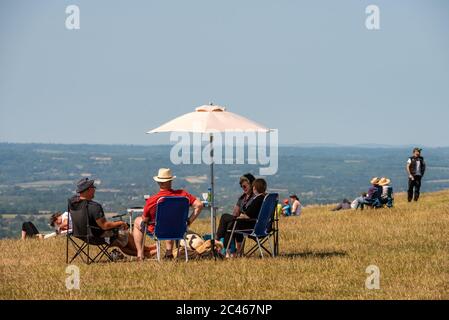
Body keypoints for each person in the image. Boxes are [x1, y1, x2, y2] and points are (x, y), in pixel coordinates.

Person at [69, 177, 154, 258]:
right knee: (124, 235)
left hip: (81, 235)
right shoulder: (94, 207)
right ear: (88, 190)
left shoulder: (73, 203)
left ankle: (148, 250)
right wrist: (120, 223)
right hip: (97, 237)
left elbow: (76, 198)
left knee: (121, 241)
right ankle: (147, 252)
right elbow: (104, 226)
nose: (94, 189)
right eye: (93, 187)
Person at [132, 168, 203, 260]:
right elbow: (199, 205)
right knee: (171, 220)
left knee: (137, 221)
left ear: (158, 182)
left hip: (159, 231)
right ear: (171, 181)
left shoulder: (153, 200)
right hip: (178, 229)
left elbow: (145, 220)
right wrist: (189, 221)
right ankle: (169, 253)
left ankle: (140, 255)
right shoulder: (183, 195)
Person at [216, 178, 267, 257]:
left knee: (225, 218)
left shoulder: (257, 199)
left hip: (251, 225)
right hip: (263, 227)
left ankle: (220, 245)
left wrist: (240, 216)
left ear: (254, 188)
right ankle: (231, 251)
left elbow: (247, 215)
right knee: (231, 223)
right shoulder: (265, 199)